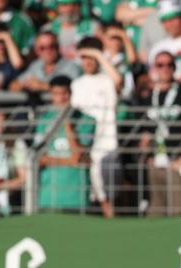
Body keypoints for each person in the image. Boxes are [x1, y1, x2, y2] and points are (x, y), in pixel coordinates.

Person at [136, 51, 181, 216]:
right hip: (156, 165)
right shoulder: (148, 97)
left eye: (170, 64)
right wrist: (146, 157)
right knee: (155, 216)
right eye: (160, 65)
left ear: (175, 67)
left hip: (177, 164)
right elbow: (145, 133)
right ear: (154, 68)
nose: (165, 68)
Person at [71, 36, 122, 218]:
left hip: (106, 145)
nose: (88, 61)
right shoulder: (76, 84)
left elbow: (118, 80)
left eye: (91, 57)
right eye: (84, 57)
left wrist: (99, 55)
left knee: (107, 198)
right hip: (84, 145)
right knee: (89, 195)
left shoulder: (107, 80)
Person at [34, 76, 95, 211]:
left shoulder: (87, 120)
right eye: (56, 94)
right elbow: (39, 158)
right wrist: (69, 161)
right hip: (48, 196)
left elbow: (78, 156)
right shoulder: (43, 121)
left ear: (71, 94)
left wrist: (67, 123)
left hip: (76, 197)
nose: (61, 98)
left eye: (65, 93)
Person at [10, 31, 82, 94]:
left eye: (51, 46)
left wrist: (43, 86)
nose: (47, 51)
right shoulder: (35, 66)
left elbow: (74, 89)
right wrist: (23, 85)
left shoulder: (72, 67)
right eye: (42, 48)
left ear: (58, 47)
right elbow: (13, 85)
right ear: (36, 50)